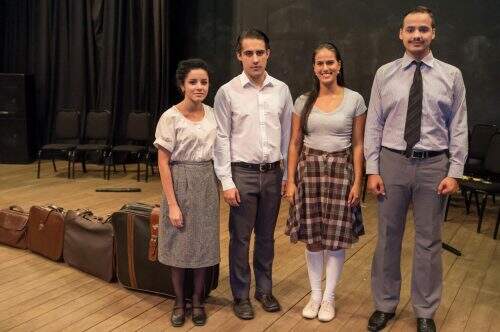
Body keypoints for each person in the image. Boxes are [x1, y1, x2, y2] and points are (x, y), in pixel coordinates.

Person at [364, 6, 468, 332]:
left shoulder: (451, 76)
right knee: (387, 239)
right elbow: (374, 125)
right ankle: (384, 305)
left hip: (433, 166)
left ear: (433, 33)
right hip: (392, 162)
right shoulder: (385, 74)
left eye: (423, 29)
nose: (417, 35)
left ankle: (425, 310)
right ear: (401, 33)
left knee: (428, 242)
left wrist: (454, 171)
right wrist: (372, 169)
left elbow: (459, 126)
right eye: (410, 29)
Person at [213, 29, 293, 320]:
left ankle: (264, 289)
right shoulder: (227, 92)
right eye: (249, 53)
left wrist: (287, 175)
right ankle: (240, 295)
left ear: (268, 54)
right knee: (240, 238)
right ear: (239, 56)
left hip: (273, 173)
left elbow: (287, 135)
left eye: (260, 52)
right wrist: (226, 180)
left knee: (267, 237)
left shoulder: (282, 90)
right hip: (242, 174)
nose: (255, 59)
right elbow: (221, 138)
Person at [284, 42, 367, 322]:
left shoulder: (355, 99)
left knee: (335, 239)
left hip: (341, 173)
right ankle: (315, 295)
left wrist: (358, 182)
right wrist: (291, 180)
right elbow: (295, 143)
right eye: (320, 63)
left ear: (339, 65)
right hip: (309, 173)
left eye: (330, 62)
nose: (325, 68)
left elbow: (357, 144)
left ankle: (329, 297)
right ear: (314, 68)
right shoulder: (303, 100)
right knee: (313, 239)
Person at [154, 59, 219, 327]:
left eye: (203, 82)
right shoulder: (170, 117)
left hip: (206, 180)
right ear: (182, 84)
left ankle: (198, 300)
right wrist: (172, 204)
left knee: (203, 243)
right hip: (180, 180)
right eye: (193, 82)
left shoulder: (214, 113)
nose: (199, 87)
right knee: (179, 245)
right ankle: (179, 301)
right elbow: (162, 162)